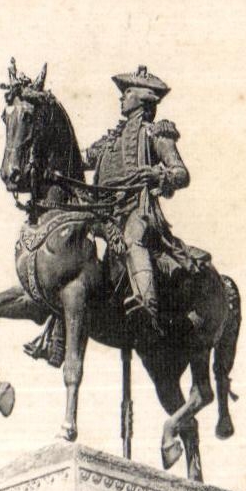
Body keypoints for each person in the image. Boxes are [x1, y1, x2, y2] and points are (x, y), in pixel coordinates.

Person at [83, 65, 193, 332]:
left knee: (133, 239)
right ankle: (57, 330)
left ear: (142, 97)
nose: (122, 98)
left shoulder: (155, 133)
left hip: (137, 210)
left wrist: (157, 174)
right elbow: (83, 158)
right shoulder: (111, 140)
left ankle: (147, 305)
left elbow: (181, 173)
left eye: (127, 92)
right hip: (105, 213)